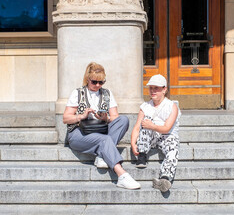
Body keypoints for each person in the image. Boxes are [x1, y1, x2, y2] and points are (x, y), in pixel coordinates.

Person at [63, 62, 140, 190]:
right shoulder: (78, 93)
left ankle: (101, 156)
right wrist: (81, 116)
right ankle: (122, 175)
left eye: (101, 82)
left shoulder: (106, 93)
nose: (98, 85)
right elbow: (65, 118)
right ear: (88, 79)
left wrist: (107, 118)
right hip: (79, 134)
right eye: (94, 82)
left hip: (101, 130)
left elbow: (116, 117)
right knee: (105, 140)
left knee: (123, 120)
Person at [131, 74, 181, 193]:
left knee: (173, 149)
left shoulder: (172, 106)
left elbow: (167, 128)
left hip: (167, 137)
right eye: (151, 88)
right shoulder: (145, 106)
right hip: (151, 137)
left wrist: (152, 126)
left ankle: (165, 178)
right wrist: (133, 143)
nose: (153, 91)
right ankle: (142, 155)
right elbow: (137, 126)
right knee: (146, 121)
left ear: (164, 90)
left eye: (156, 88)